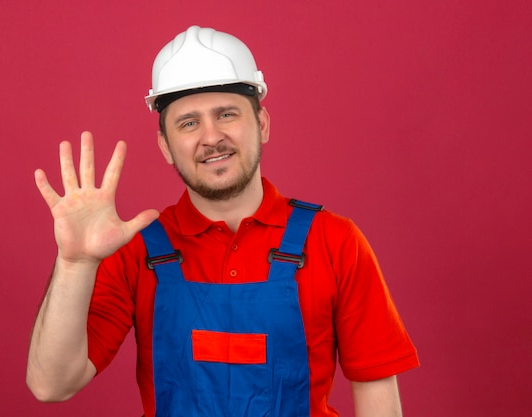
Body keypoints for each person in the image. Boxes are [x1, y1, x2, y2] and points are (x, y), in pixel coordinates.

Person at [27, 25, 419, 417]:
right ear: (165, 145)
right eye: (188, 123)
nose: (211, 137)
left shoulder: (335, 241)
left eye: (226, 114)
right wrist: (75, 263)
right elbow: (51, 384)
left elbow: (379, 399)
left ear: (262, 124)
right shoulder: (135, 250)